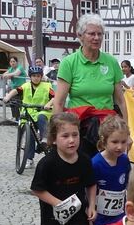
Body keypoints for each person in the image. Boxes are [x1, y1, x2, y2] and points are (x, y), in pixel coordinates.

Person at [30, 113, 97, 225]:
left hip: (77, 217)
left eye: (75, 135)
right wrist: (58, 203)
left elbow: (91, 184)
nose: (71, 140)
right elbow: (37, 189)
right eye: (65, 136)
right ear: (54, 139)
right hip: (52, 217)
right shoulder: (47, 163)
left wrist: (92, 205)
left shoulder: (84, 160)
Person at [52, 14, 129, 156]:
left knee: (108, 166)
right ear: (80, 36)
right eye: (92, 34)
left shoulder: (111, 62)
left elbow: (121, 101)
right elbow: (59, 102)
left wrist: (127, 133)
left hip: (108, 128)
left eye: (100, 34)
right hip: (79, 126)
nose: (97, 38)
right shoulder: (69, 63)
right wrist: (57, 134)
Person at [2, 65, 55, 165]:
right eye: (34, 76)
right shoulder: (25, 86)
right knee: (30, 135)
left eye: (38, 76)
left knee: (41, 117)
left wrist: (48, 104)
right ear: (30, 77)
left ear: (41, 77)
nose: (36, 78)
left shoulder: (47, 86)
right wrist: (8, 97)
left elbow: (54, 97)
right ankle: (29, 159)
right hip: (28, 113)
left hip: (42, 111)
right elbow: (16, 91)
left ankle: (44, 138)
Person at [90, 116, 131, 225]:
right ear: (104, 141)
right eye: (115, 142)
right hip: (100, 218)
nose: (120, 147)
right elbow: (88, 189)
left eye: (123, 142)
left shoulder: (124, 160)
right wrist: (90, 208)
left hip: (120, 215)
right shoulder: (95, 163)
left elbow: (128, 184)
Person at [3, 55, 26, 123]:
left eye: (14, 61)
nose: (12, 63)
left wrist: (8, 75)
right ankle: (15, 117)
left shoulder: (20, 67)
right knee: (12, 103)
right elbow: (4, 75)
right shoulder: (11, 69)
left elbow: (16, 73)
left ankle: (19, 118)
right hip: (13, 88)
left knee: (18, 103)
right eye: (11, 62)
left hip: (20, 88)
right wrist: (8, 75)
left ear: (17, 62)